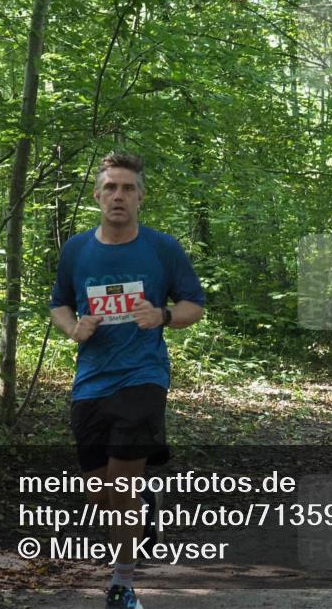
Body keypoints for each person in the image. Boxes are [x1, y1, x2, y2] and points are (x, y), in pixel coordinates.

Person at [50, 152, 205, 609]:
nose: (119, 196)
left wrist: (163, 315)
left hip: (143, 377)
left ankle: (122, 582)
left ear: (140, 197)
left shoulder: (161, 248)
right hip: (90, 382)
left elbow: (194, 304)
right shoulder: (77, 249)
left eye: (128, 188)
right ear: (98, 196)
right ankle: (143, 509)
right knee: (101, 489)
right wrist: (72, 328)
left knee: (120, 486)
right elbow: (59, 303)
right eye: (111, 188)